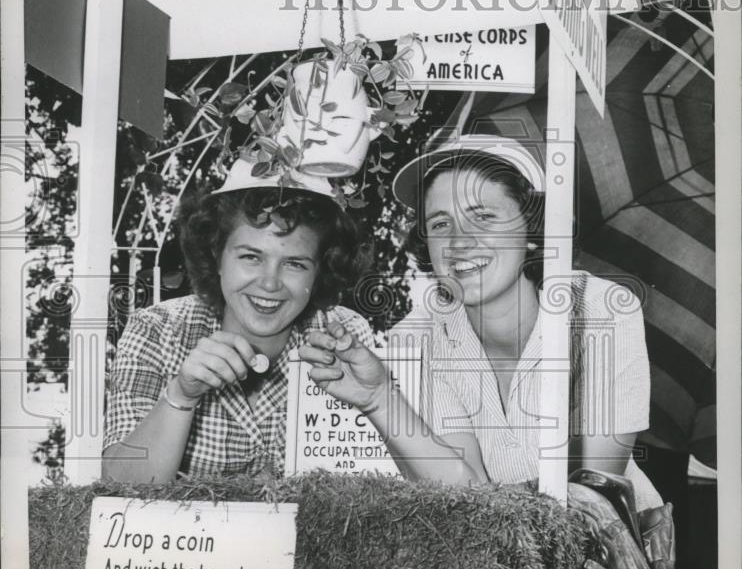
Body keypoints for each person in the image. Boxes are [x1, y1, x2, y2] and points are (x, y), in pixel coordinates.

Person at [300, 137, 662, 508]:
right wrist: (378, 398)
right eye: (441, 225)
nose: (459, 242)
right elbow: (463, 497)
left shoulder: (600, 311)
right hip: (502, 553)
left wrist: (487, 502)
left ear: (532, 227)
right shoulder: (422, 334)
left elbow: (589, 497)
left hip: (609, 551)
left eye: (483, 216)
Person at [102, 159, 374, 482]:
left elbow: (362, 487)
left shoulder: (343, 336)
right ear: (216, 257)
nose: (270, 283)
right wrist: (181, 396)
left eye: (295, 264)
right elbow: (117, 486)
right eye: (251, 257)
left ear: (319, 272)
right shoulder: (156, 331)